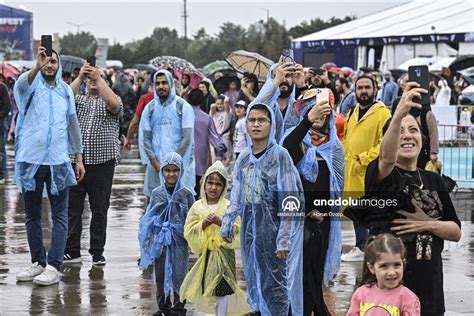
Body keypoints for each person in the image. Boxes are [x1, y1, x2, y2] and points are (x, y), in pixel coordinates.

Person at [365, 81, 461, 314]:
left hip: (431, 293)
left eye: (414, 130)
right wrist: (398, 114)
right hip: (390, 295)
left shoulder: (433, 180)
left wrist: (426, 223)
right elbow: (386, 160)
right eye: (400, 131)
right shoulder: (382, 175)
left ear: (422, 140)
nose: (407, 136)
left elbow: (456, 231)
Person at [220, 103, 304, 315]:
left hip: (273, 231)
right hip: (250, 231)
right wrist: (228, 222)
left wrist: (284, 237)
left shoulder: (279, 156)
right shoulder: (244, 159)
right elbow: (237, 194)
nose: (256, 125)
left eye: (261, 120)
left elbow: (290, 199)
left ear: (271, 124)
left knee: (275, 284)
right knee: (254, 277)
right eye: (252, 120)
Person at [13, 46, 85, 285]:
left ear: (59, 64)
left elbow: (73, 125)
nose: (50, 65)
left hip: (58, 161)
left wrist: (79, 157)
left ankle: (54, 265)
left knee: (60, 215)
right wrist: (36, 65)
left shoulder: (65, 91)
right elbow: (20, 87)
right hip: (31, 160)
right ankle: (38, 262)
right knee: (32, 214)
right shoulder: (31, 86)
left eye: (53, 61)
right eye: (46, 61)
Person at [282, 95, 344, 316]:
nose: (319, 115)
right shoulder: (298, 140)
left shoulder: (334, 146)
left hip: (323, 223)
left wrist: (323, 214)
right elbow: (286, 150)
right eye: (313, 110)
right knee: (296, 276)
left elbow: (336, 189)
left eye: (323, 111)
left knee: (313, 277)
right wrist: (306, 122)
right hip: (298, 221)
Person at [63, 63, 123, 265]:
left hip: (102, 164)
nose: (92, 81)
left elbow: (114, 105)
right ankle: (72, 250)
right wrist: (80, 77)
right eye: (90, 79)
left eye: (95, 78)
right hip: (77, 162)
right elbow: (63, 96)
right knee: (73, 209)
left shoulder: (111, 100)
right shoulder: (78, 100)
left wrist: (99, 78)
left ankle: (97, 251)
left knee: (99, 209)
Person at [180, 161, 251, 316]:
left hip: (225, 255)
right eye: (210, 183)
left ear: (224, 187)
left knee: (222, 290)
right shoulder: (197, 207)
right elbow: (189, 230)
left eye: (218, 184)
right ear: (204, 184)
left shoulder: (228, 207)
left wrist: (221, 222)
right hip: (207, 255)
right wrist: (203, 224)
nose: (213, 187)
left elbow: (238, 229)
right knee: (210, 289)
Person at [341, 76, 391, 262]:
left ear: (375, 90)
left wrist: (364, 159)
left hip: (370, 171)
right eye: (360, 87)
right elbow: (346, 139)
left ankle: (368, 246)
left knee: (370, 211)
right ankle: (361, 245)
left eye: (367, 87)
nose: (363, 91)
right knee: (356, 210)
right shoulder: (351, 112)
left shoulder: (382, 113)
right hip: (352, 171)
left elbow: (384, 143)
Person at [138, 152, 195, 316]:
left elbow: (192, 217)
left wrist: (191, 239)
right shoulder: (157, 193)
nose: (171, 174)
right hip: (161, 242)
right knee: (161, 274)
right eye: (167, 170)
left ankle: (178, 307)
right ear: (162, 171)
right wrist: (150, 237)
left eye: (175, 170)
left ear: (181, 171)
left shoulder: (186, 193)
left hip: (179, 241)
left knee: (180, 273)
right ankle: (163, 307)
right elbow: (149, 216)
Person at [138, 70, 195, 198]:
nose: (160, 87)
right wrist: (156, 164)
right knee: (155, 206)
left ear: (171, 84)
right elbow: (145, 138)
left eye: (164, 83)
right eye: (157, 84)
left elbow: (187, 138)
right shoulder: (150, 108)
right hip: (156, 167)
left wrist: (172, 164)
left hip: (179, 167)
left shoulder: (182, 107)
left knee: (179, 206)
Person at [346, 234, 421, 316]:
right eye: (384, 266)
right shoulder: (361, 294)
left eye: (397, 265)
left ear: (403, 264)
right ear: (371, 268)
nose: (391, 272)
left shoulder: (408, 298)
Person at [187, 89, 227, 197]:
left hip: (183, 158)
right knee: (195, 188)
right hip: (200, 159)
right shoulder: (206, 118)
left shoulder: (182, 115)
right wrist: (222, 153)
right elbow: (215, 139)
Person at [253, 62, 302, 142]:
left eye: (287, 75)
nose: (283, 79)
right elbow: (252, 108)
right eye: (278, 75)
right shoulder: (264, 105)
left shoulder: (298, 107)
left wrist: (302, 85)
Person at [122, 86, 154, 151]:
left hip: (149, 139)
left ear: (151, 84)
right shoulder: (173, 99)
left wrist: (128, 138)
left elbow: (135, 121)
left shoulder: (145, 98)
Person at [210, 95, 233, 161]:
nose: (220, 105)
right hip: (215, 137)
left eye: (221, 104)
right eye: (218, 104)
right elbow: (212, 106)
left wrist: (225, 96)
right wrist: (217, 101)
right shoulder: (213, 112)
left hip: (224, 135)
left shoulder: (228, 112)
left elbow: (226, 101)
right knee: (214, 158)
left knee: (226, 157)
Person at [0, 79, 11, 184]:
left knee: (1, 151)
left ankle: (1, 175)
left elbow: (7, 106)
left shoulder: (2, 87)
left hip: (1, 124)